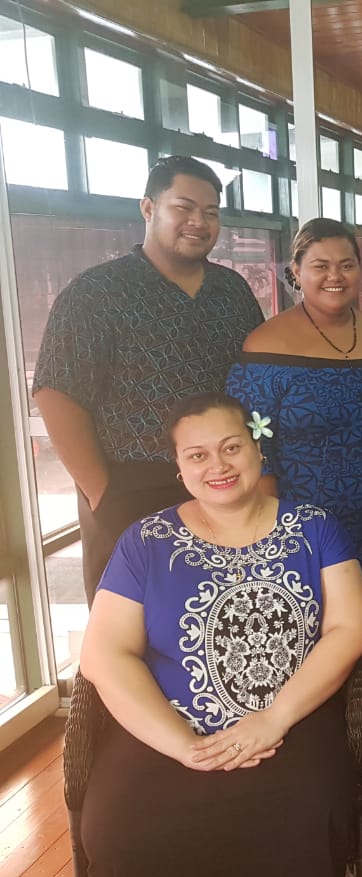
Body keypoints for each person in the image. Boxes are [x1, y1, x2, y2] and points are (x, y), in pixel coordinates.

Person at [77, 392, 362, 877]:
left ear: (257, 448)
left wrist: (273, 719)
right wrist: (183, 746)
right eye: (197, 455)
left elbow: (350, 628)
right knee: (121, 832)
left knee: (311, 812)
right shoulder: (145, 540)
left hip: (291, 722)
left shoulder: (314, 527)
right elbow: (105, 654)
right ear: (180, 467)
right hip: (169, 727)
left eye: (231, 447)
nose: (218, 466)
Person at [32, 156, 264, 596]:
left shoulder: (232, 289)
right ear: (148, 208)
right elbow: (56, 391)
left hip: (224, 478)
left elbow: (257, 374)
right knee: (135, 626)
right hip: (132, 487)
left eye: (211, 213)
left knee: (224, 616)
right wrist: (103, 491)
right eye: (184, 207)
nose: (199, 221)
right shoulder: (95, 292)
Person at [226, 218, 362, 612]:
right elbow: (252, 447)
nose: (334, 276)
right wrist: (270, 535)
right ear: (296, 272)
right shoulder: (264, 345)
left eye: (346, 264)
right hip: (304, 526)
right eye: (320, 266)